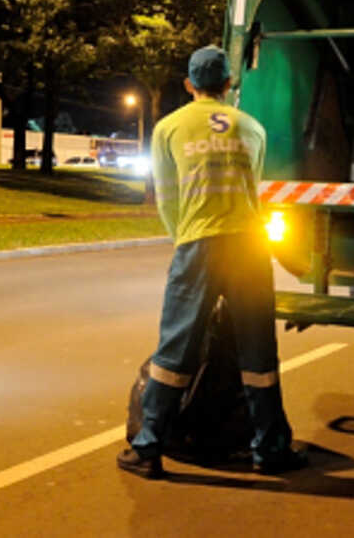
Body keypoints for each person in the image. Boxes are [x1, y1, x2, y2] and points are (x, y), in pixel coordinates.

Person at [117, 45, 306, 479]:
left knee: (175, 350)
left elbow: (168, 199)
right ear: (228, 84)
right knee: (258, 351)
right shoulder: (252, 128)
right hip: (248, 248)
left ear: (189, 85)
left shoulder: (168, 128)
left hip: (198, 245)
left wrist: (184, 239)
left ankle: (148, 448)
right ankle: (270, 449)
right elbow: (253, 192)